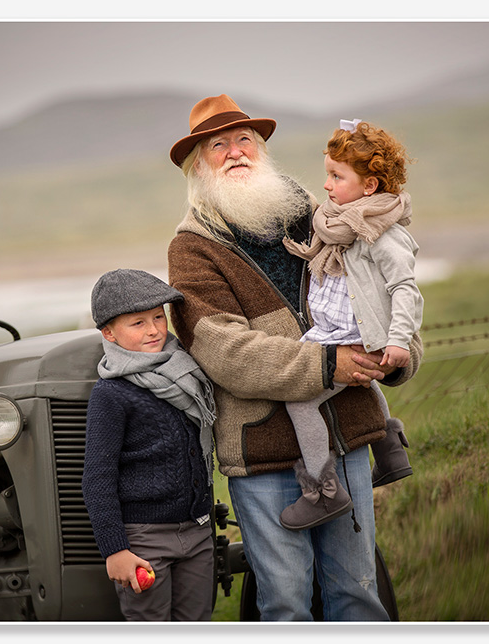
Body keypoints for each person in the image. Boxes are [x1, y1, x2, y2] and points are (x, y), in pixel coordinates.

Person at [165, 94, 423, 621]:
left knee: (358, 594)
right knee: (285, 605)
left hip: (347, 432)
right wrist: (329, 365)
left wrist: (399, 356)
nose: (236, 152)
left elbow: (388, 289)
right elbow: (224, 350)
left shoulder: (323, 217)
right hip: (265, 452)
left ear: (261, 150)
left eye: (244, 140)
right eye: (219, 146)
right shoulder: (192, 248)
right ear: (198, 165)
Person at [278, 118, 421, 531]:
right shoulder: (343, 222)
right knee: (364, 378)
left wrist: (398, 341)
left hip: (351, 335)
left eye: (337, 176)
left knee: (300, 399)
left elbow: (404, 289)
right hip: (337, 331)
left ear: (370, 186)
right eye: (328, 174)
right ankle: (390, 449)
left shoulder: (380, 232)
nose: (326, 185)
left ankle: (323, 491)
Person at [82, 268, 217, 621]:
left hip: (197, 528)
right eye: (137, 323)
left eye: (158, 317)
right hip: (144, 539)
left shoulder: (186, 370)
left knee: (198, 622)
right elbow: (98, 478)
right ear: (109, 333)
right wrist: (116, 550)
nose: (155, 329)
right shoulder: (112, 394)